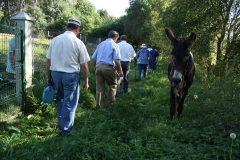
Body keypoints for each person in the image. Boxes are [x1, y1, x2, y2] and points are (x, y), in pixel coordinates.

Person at [46, 18, 90, 137]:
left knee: (60, 99)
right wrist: (86, 81)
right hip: (70, 76)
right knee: (69, 102)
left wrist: (49, 76)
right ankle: (66, 130)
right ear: (77, 29)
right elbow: (84, 65)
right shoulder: (78, 42)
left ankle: (62, 123)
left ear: (67, 27)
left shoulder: (54, 40)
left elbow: (48, 61)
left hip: (55, 74)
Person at [92, 30, 123, 108]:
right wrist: (120, 71)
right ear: (115, 37)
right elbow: (116, 60)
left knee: (99, 87)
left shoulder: (100, 44)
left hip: (98, 66)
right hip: (108, 67)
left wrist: (95, 66)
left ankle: (99, 105)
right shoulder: (114, 45)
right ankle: (110, 104)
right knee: (112, 85)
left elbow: (94, 58)